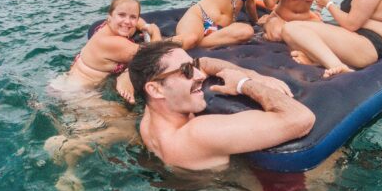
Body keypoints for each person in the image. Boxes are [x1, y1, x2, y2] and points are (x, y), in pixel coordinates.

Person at [127, 40, 314, 171]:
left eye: (192, 66)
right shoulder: (197, 134)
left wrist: (255, 74)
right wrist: (244, 83)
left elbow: (204, 63)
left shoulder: (151, 112)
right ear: (155, 89)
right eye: (186, 71)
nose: (199, 75)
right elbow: (301, 118)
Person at [45, 0, 161, 191]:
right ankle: (66, 153)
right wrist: (154, 30)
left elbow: (133, 23)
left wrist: (141, 23)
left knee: (90, 126)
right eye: (121, 15)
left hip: (64, 87)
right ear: (109, 17)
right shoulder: (114, 42)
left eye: (132, 17)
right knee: (127, 126)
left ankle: (68, 166)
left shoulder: (103, 29)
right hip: (77, 94)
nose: (127, 21)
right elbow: (158, 54)